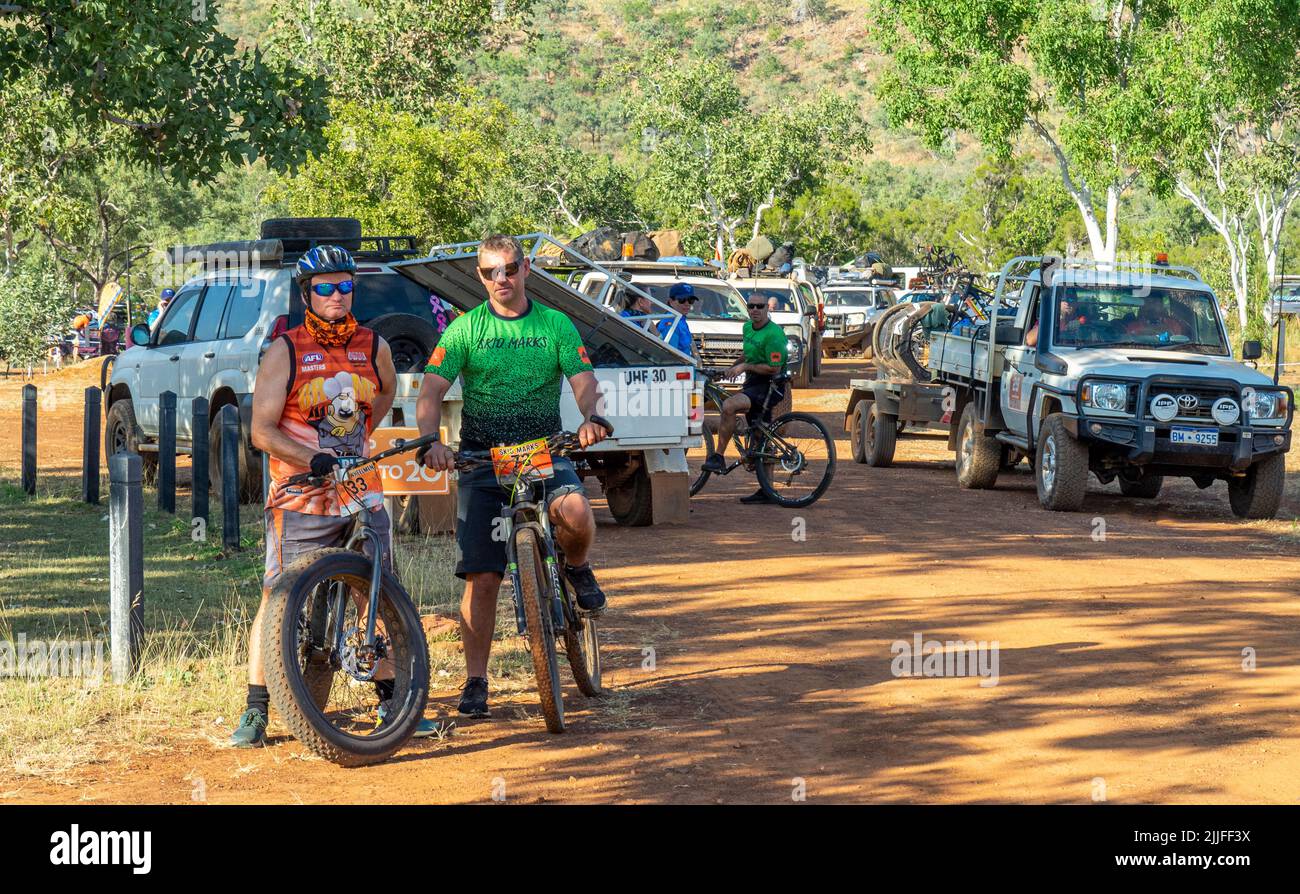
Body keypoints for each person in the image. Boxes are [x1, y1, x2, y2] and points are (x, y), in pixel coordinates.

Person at [230, 245, 439, 748]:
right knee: (276, 595)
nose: (337, 295)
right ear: (307, 293)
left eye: (345, 285)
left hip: (360, 489)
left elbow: (384, 396)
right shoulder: (286, 350)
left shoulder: (374, 346)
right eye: (325, 287)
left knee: (379, 590)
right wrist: (313, 458)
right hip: (301, 494)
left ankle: (393, 696)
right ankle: (256, 709)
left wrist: (355, 442)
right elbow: (261, 430)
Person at [416, 234, 613, 719]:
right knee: (482, 578)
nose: (500, 279)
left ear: (526, 269)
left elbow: (584, 383)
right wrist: (429, 440)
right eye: (489, 272)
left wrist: (591, 418)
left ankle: (576, 566)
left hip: (544, 450)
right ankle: (476, 680)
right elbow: (431, 390)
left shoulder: (555, 324)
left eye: (509, 268)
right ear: (479, 277)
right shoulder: (464, 330)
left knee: (574, 511)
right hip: (483, 457)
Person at [700, 293, 788, 504]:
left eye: (760, 306)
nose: (755, 310)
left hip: (769, 385)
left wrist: (745, 367)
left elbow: (774, 367)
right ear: (747, 308)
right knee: (760, 434)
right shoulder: (748, 327)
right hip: (752, 383)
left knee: (729, 406)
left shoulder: (774, 334)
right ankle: (767, 490)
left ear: (768, 308)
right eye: (751, 306)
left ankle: (718, 457)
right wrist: (732, 367)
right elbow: (748, 353)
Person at [657, 282, 696, 358]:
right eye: (682, 300)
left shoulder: (681, 320)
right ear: (671, 302)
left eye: (691, 300)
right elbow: (672, 357)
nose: (687, 304)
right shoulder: (670, 323)